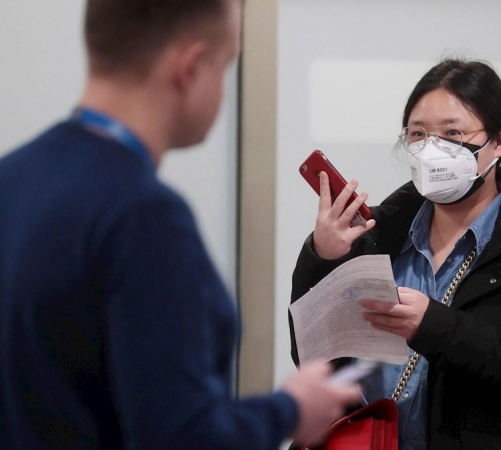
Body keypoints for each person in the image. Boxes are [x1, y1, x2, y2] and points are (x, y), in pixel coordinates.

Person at [0, 1, 360, 449]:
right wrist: (290, 409)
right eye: (226, 64)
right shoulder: (144, 217)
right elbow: (183, 437)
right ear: (189, 67)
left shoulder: (11, 178)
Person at [289, 58, 501, 450]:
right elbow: (312, 361)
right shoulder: (378, 238)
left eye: (452, 134)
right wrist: (324, 259)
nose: (432, 151)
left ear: (498, 143)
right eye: (418, 135)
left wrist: (433, 327)